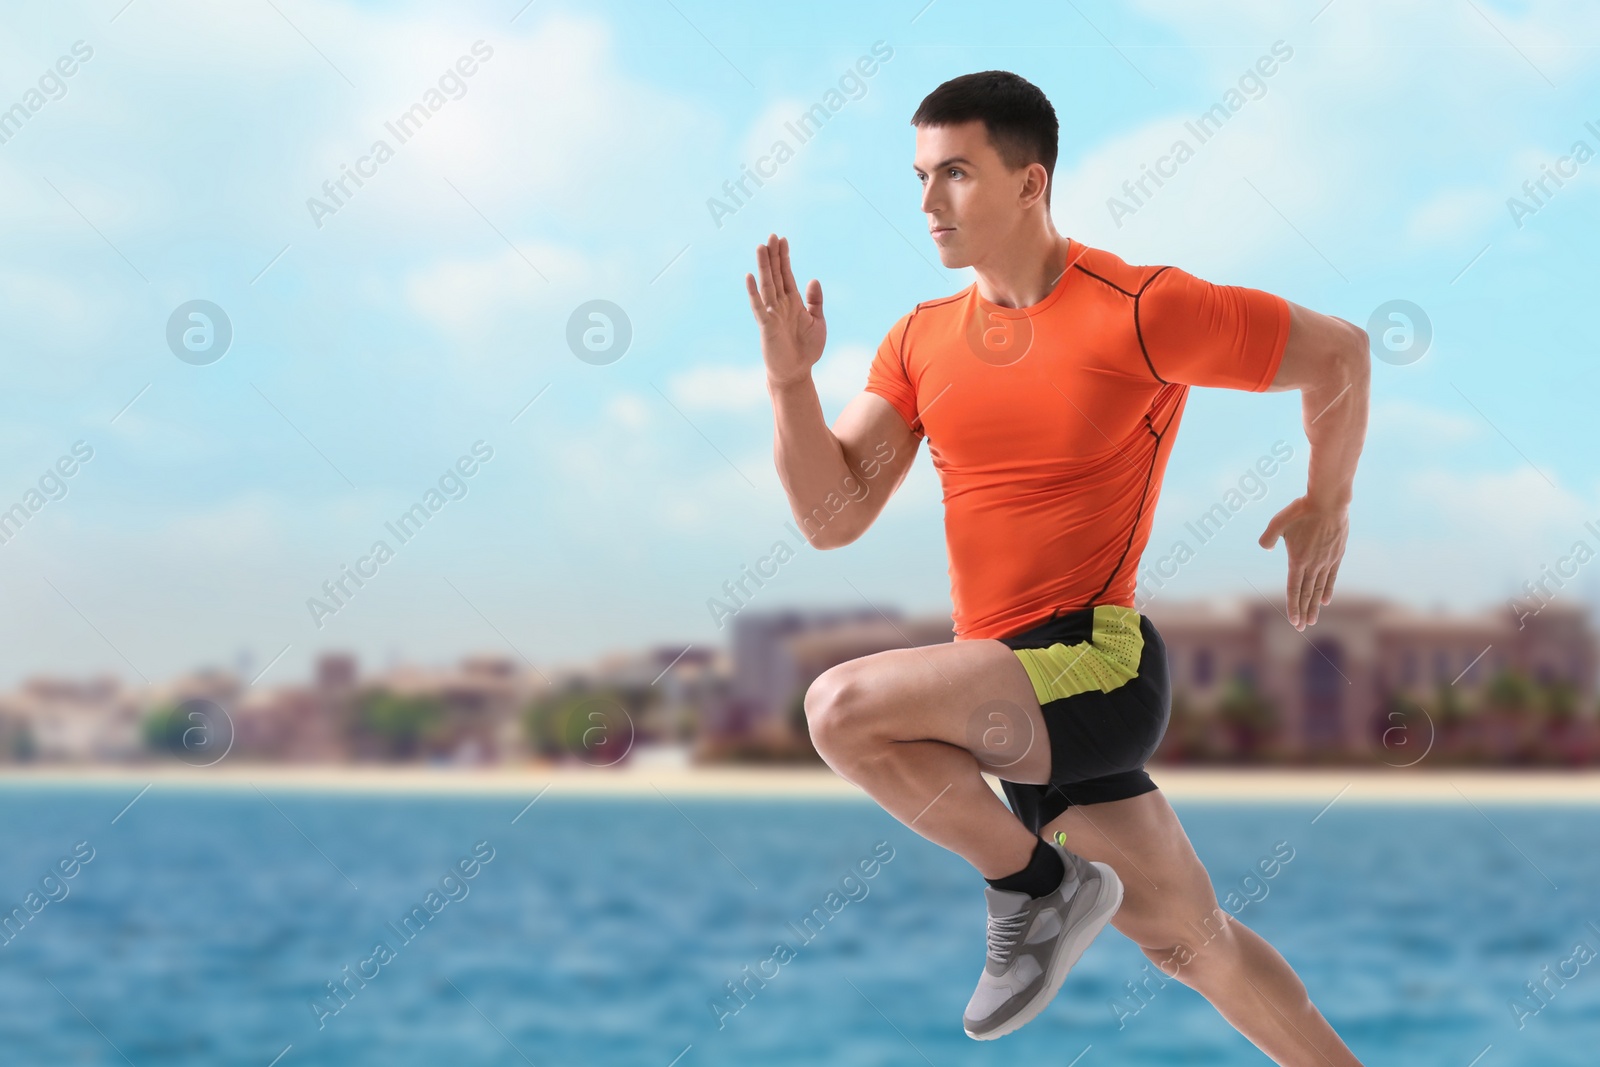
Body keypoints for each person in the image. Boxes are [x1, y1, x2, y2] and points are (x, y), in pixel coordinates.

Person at [745, 69, 1368, 1060]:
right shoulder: (919, 340)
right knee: (1192, 945)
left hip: (1094, 662)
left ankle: (1036, 885)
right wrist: (789, 382)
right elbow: (832, 515)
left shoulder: (1139, 308)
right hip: (1007, 691)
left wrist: (1326, 503)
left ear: (1029, 183)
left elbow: (1338, 354)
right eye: (917, 175)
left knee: (840, 708)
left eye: (954, 173)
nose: (925, 202)